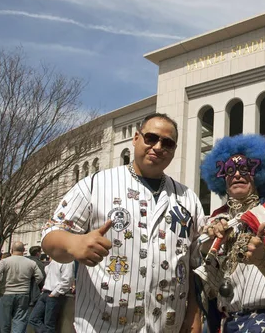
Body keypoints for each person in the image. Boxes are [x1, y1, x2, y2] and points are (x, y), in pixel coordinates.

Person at [41, 113, 205, 332]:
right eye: (151, 138)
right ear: (136, 138)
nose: (158, 147)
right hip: (103, 325)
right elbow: (52, 234)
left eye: (167, 143)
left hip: (167, 327)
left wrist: (194, 313)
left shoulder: (188, 198)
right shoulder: (95, 185)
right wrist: (73, 243)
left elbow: (195, 263)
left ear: (174, 150)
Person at [194, 134, 265, 332]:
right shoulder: (215, 221)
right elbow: (201, 269)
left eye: (245, 169)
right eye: (229, 170)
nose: (237, 175)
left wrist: (264, 261)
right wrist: (210, 242)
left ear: (260, 174)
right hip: (229, 324)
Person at [0, 241, 44, 333]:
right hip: (23, 293)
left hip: (6, 293)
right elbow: (40, 277)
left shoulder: (4, 261)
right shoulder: (31, 263)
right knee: (20, 321)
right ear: (24, 250)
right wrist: (31, 284)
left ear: (11, 250)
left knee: (4, 322)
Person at [28, 259, 74, 333]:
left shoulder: (67, 261)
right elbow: (47, 271)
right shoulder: (54, 260)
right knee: (33, 319)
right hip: (46, 292)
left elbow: (67, 280)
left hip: (54, 294)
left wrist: (55, 293)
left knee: (49, 323)